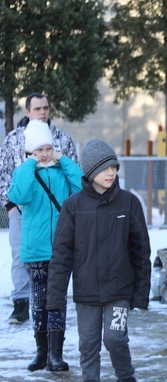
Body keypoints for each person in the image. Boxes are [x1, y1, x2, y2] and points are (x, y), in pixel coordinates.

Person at [46, 139, 151, 382]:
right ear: (90, 172)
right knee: (88, 345)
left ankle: (126, 378)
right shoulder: (73, 206)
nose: (111, 172)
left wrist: (141, 293)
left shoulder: (129, 203)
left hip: (120, 291)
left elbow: (141, 251)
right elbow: (61, 256)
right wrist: (55, 297)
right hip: (86, 292)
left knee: (115, 338)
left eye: (114, 167)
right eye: (105, 168)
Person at [7, 120, 82, 372]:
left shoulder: (61, 171)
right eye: (38, 149)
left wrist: (65, 160)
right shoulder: (24, 172)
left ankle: (55, 355)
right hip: (35, 251)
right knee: (38, 302)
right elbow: (18, 196)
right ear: (30, 151)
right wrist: (29, 163)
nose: (45, 153)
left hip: (61, 249)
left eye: (48, 148)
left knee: (57, 301)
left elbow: (80, 188)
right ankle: (41, 353)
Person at [0, 92, 78, 325]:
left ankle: (53, 305)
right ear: (27, 112)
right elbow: (3, 172)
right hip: (22, 209)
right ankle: (21, 302)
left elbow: (73, 170)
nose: (42, 112)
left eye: (45, 108)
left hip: (55, 212)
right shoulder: (14, 139)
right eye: (37, 109)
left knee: (55, 258)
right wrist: (11, 206)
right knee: (19, 256)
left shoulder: (62, 139)